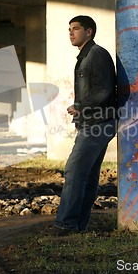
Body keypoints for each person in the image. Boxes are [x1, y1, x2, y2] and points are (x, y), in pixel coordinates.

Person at [54, 15, 117, 233]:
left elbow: (104, 88)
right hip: (94, 122)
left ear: (88, 32)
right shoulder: (85, 56)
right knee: (87, 176)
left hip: (98, 122)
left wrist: (80, 106)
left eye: (76, 29)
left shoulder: (95, 54)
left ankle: (66, 224)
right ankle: (78, 225)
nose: (71, 33)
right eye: (69, 29)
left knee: (74, 171)